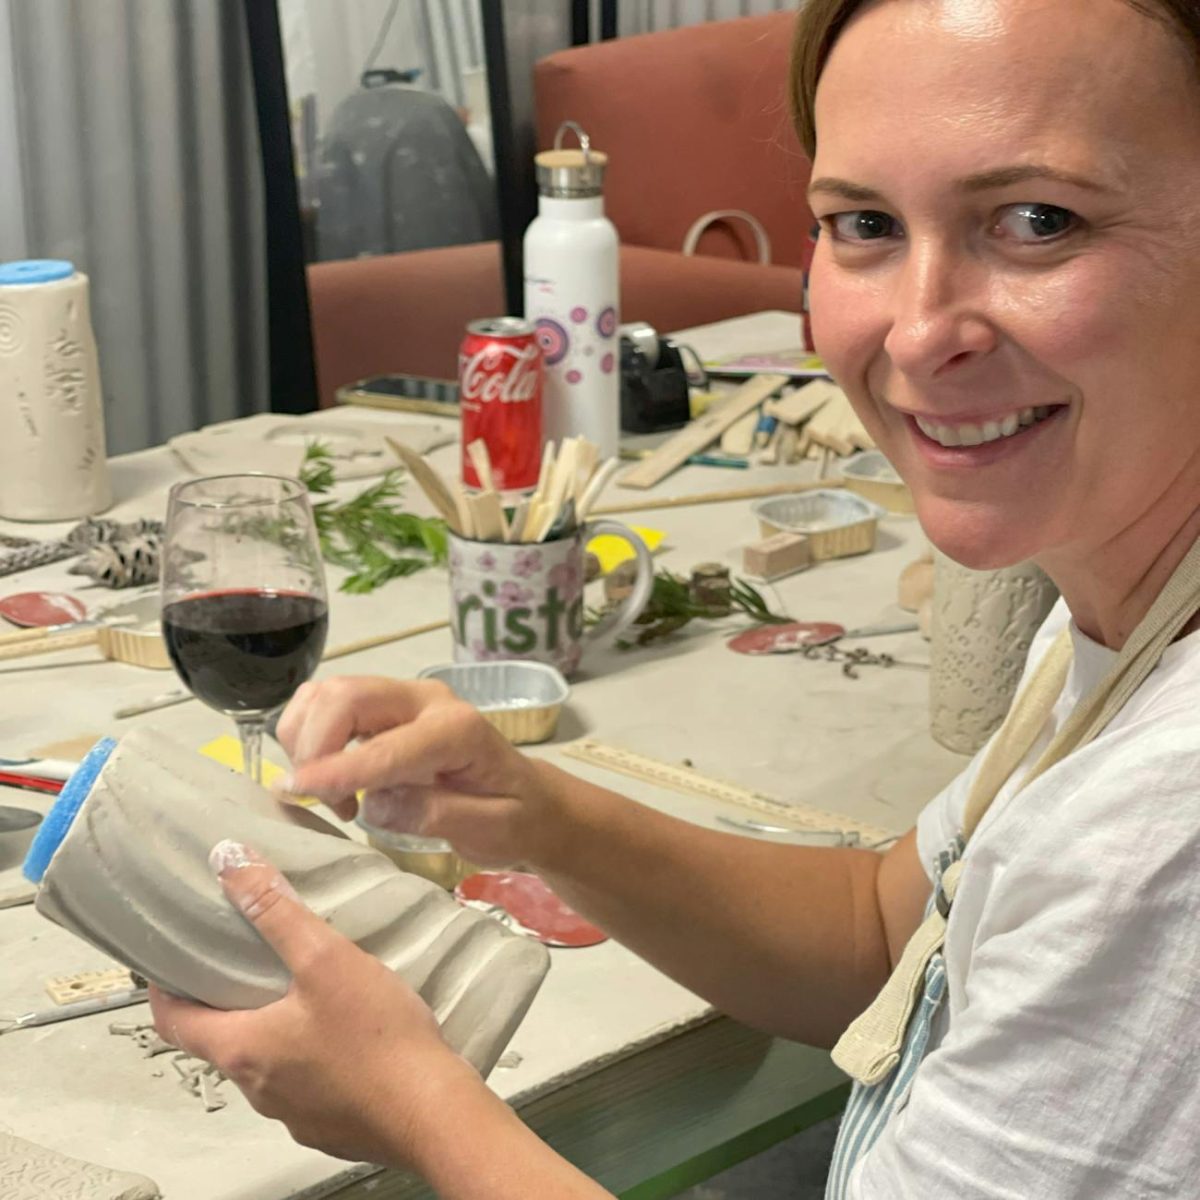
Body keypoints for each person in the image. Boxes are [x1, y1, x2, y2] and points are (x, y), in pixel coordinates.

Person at [152, 0, 1200, 1194]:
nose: (917, 335)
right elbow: (883, 937)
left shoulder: (1165, 822)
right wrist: (523, 806)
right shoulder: (1124, 602)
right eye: (862, 223)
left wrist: (411, 1106)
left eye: (1037, 221)